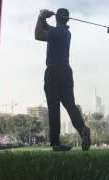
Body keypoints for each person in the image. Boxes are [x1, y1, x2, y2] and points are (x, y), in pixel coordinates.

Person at [35, 8, 91, 151]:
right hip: (65, 71)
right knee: (70, 105)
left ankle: (56, 143)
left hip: (53, 71)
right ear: (67, 19)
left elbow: (38, 34)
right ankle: (83, 129)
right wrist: (43, 19)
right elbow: (47, 28)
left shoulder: (55, 33)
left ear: (57, 18)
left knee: (53, 108)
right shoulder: (65, 32)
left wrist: (41, 16)